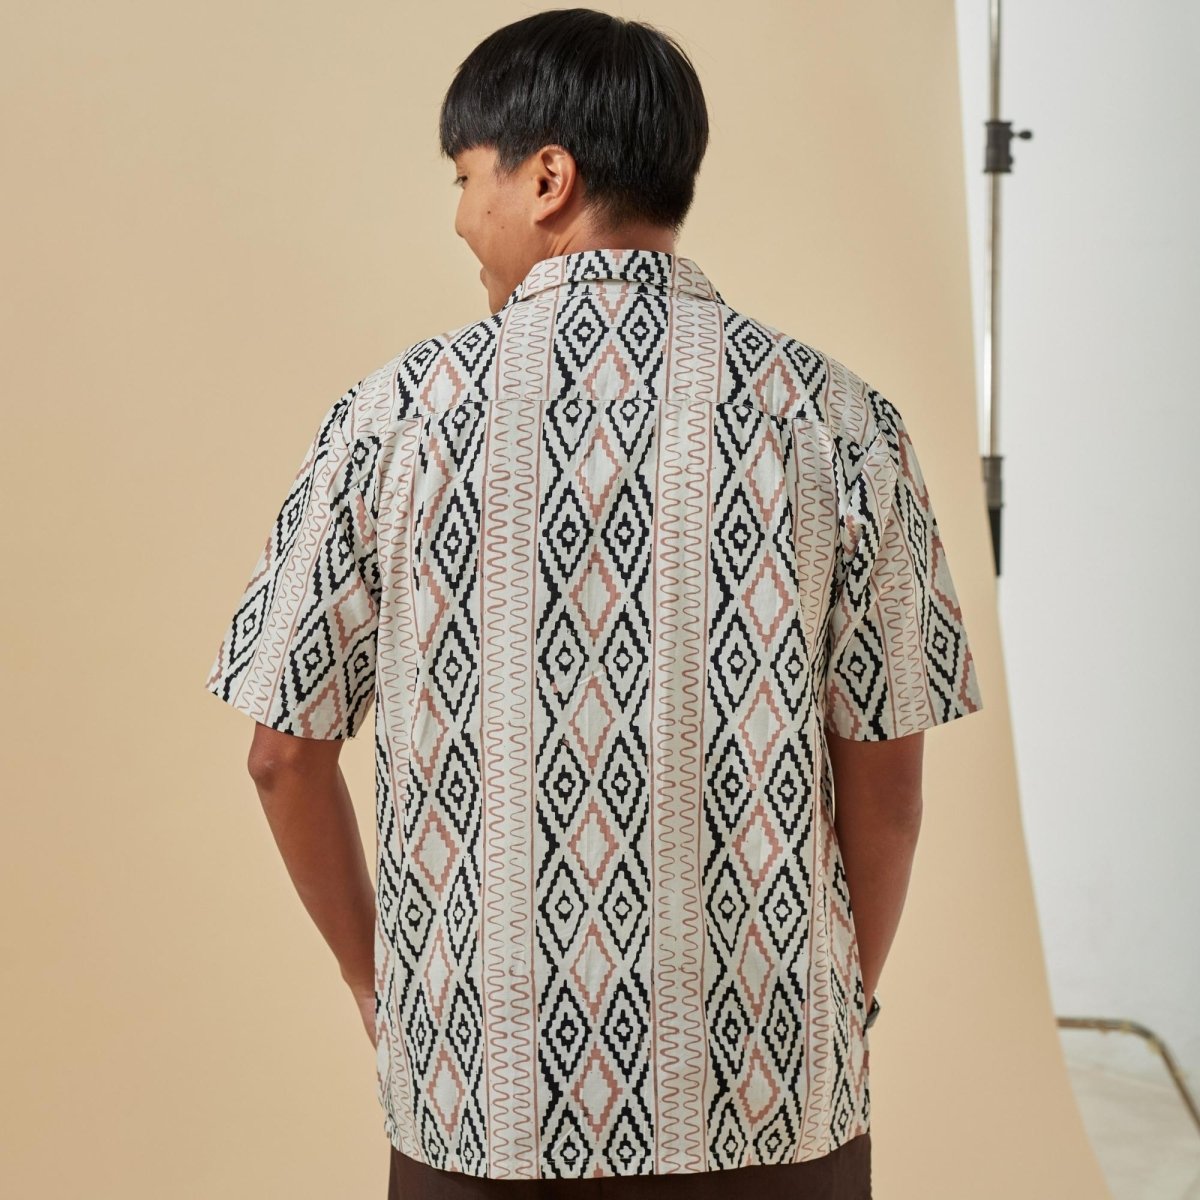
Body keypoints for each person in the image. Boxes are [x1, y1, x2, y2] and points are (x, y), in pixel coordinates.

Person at [203, 8, 984, 1198]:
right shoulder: (841, 420)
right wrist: (832, 1007)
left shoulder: (394, 418)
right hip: (776, 1095)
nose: (458, 215)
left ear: (547, 178)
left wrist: (382, 991)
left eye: (466, 176)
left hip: (482, 1098)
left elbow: (280, 757)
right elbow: (888, 790)